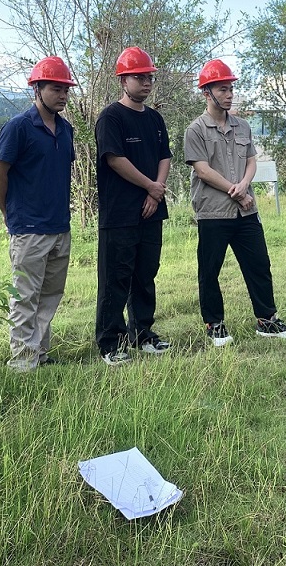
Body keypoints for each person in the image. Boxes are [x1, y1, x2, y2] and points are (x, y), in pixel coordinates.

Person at [184, 59, 286, 346]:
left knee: (259, 265)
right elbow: (202, 170)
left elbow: (251, 161)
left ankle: (267, 320)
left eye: (231, 89)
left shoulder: (243, 126)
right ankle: (215, 325)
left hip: (246, 210)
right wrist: (234, 190)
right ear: (206, 93)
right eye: (222, 89)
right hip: (213, 212)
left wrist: (244, 185)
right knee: (210, 270)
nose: (229, 95)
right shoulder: (196, 129)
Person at [0, 57, 76, 372]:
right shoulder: (18, 127)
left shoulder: (65, 129)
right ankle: (22, 360)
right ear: (37, 89)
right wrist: (8, 212)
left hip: (59, 226)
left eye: (66, 89)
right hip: (28, 227)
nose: (63, 95)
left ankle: (39, 352)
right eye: (56, 88)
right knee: (25, 296)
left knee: (50, 295)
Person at [94, 47, 173, 367]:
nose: (146, 82)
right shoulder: (110, 117)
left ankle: (142, 333)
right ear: (122, 81)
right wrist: (149, 186)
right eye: (139, 77)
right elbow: (115, 159)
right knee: (115, 279)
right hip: (120, 215)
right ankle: (109, 343)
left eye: (149, 77)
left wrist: (156, 192)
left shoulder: (154, 118)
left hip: (152, 211)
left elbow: (164, 156)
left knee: (145, 275)